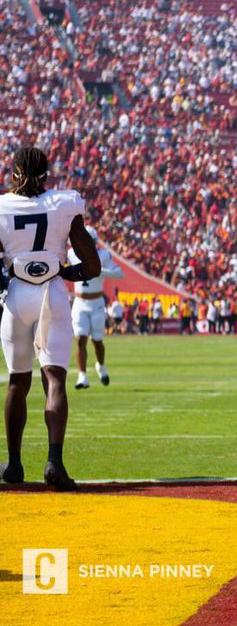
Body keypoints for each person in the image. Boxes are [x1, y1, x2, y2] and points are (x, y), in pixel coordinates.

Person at [0, 146, 101, 491]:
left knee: (17, 382)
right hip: (53, 294)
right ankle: (54, 462)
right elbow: (92, 265)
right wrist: (62, 271)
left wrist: (10, 274)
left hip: (17, 296)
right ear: (47, 175)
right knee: (54, 379)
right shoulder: (63, 203)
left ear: (13, 173)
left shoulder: (2, 206)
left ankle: (14, 465)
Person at [68, 226, 124, 389]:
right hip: (79, 302)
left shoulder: (103, 255)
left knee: (97, 341)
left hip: (97, 302)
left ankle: (100, 365)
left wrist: (101, 270)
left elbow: (120, 273)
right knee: (80, 339)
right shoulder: (72, 253)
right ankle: (82, 376)